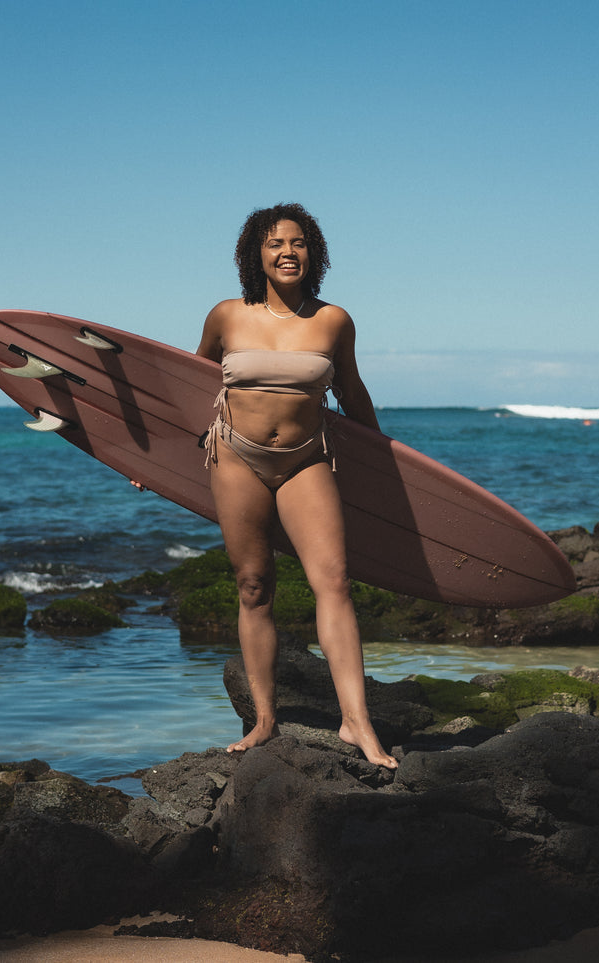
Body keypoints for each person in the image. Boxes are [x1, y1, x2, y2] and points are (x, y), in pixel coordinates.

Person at [196, 203, 398, 770]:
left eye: (299, 242)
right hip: (235, 457)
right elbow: (186, 386)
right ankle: (264, 719)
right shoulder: (226, 316)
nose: (288, 251)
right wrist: (148, 462)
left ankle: (356, 722)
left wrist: (385, 467)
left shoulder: (333, 321)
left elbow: (352, 394)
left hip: (307, 459)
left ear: (314, 253)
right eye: (275, 243)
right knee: (255, 584)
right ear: (254, 255)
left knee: (333, 580)